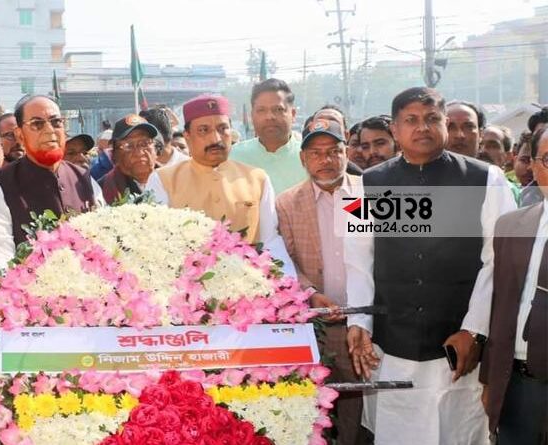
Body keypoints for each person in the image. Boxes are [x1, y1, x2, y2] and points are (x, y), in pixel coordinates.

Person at [345, 87, 516, 445]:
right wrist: (359, 320)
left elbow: (498, 261)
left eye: (431, 118)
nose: (422, 127)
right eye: (411, 120)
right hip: (392, 345)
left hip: (457, 347)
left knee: (457, 430)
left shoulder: (486, 180)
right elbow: (359, 260)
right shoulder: (366, 185)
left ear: (444, 124)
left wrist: (475, 330)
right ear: (395, 129)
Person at [276, 118, 363, 445]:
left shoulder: (364, 194)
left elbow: (374, 256)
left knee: (360, 409)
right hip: (316, 327)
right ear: (302, 159)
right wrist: (310, 293)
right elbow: (284, 260)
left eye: (333, 151)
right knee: (314, 411)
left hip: (361, 325)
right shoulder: (287, 202)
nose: (325, 160)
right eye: (316, 153)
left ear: (346, 152)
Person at [145, 94, 296, 278]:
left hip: (247, 292)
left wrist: (287, 284)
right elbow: (157, 245)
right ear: (188, 136)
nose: (215, 138)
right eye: (203, 130)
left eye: (222, 128)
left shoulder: (257, 178)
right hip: (186, 293)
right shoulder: (163, 180)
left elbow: (270, 240)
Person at [480, 125, 548, 445]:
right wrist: (490, 381)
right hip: (518, 389)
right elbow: (501, 307)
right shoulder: (511, 226)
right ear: (533, 165)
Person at [0, 95, 104, 276]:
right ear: (19, 135)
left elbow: (104, 237)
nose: (50, 131)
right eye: (37, 124)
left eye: (56, 122)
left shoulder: (84, 178)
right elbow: (1, 247)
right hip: (30, 293)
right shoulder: (0, 183)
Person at [230, 78, 308, 195]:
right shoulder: (233, 156)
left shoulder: (311, 157)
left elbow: (343, 201)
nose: (269, 117)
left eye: (278, 110)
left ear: (292, 114)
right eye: (261, 110)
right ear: (252, 116)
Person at [99, 115, 159, 204]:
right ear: (115, 154)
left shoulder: (173, 179)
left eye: (144, 143)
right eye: (129, 146)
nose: (139, 153)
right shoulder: (102, 189)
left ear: (156, 149)